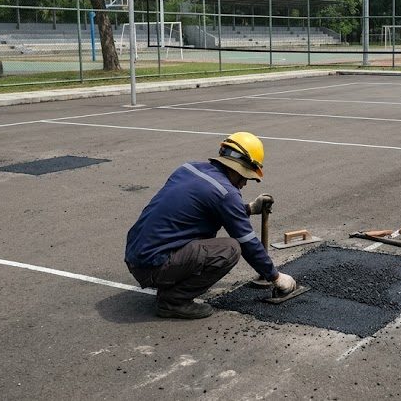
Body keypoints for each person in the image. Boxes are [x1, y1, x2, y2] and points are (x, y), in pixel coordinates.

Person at [124, 131, 297, 319]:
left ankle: (170, 282)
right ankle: (173, 301)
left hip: (137, 256)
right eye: (246, 177)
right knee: (230, 249)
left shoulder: (188, 169)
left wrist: (247, 208)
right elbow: (248, 242)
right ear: (240, 169)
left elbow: (198, 210)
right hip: (154, 266)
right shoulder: (225, 194)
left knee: (206, 239)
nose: (245, 184)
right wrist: (275, 277)